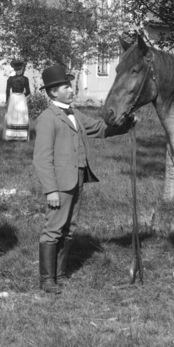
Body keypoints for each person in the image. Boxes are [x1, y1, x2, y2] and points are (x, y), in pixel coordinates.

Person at [31, 63, 135, 294]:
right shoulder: (47, 118)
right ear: (53, 92)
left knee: (69, 228)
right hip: (60, 183)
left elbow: (99, 128)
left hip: (78, 178)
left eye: (71, 85)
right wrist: (51, 190)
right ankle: (47, 280)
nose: (71, 89)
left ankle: (59, 275)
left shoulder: (75, 114)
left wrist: (125, 125)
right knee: (54, 228)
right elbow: (41, 159)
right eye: (66, 87)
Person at [3, 59, 31, 142]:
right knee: (13, 113)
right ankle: (12, 135)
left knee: (21, 113)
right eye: (17, 70)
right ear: (15, 70)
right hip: (15, 99)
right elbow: (7, 91)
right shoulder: (11, 79)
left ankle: (21, 135)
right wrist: (7, 101)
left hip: (19, 98)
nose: (18, 71)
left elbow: (28, 91)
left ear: (21, 69)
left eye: (20, 69)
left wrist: (22, 96)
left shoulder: (24, 79)